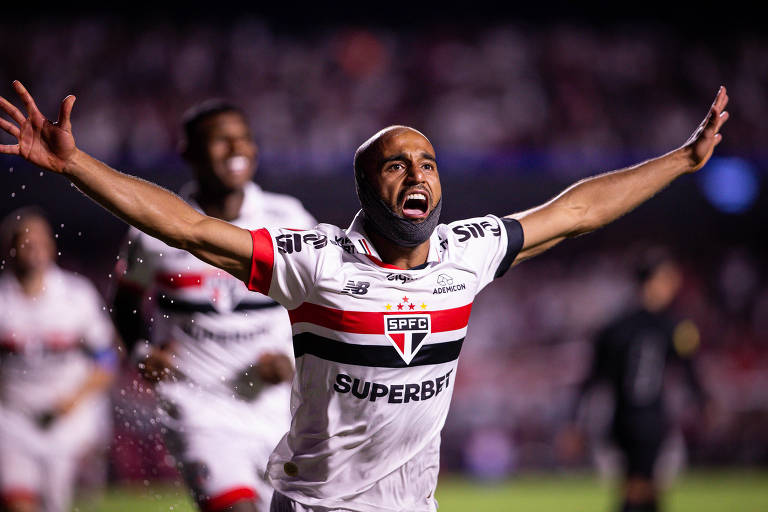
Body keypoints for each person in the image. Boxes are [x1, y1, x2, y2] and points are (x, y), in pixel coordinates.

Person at [0, 80, 729, 512]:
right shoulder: (314, 261)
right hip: (317, 505)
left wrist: (685, 158)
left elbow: (578, 210)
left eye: (428, 161)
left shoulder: (465, 253)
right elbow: (189, 227)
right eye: (395, 164)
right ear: (363, 188)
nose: (417, 172)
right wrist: (78, 167)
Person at [111, 99, 316, 512]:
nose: (237, 149)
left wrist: (295, 359)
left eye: (243, 139)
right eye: (221, 141)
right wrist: (141, 351)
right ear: (188, 152)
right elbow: (126, 301)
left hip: (281, 409)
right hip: (199, 407)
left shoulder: (288, 218)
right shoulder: (155, 230)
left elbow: (320, 302)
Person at [562, 248, 710, 512]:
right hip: (652, 420)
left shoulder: (614, 327)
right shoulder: (674, 326)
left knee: (642, 486)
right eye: (668, 278)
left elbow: (591, 379)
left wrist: (574, 421)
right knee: (640, 489)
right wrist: (704, 403)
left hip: (621, 419)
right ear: (653, 281)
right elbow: (690, 373)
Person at [0, 207, 118, 512]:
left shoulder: (76, 296)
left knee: (59, 505)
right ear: (9, 248)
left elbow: (106, 359)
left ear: (51, 246)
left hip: (69, 421)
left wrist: (75, 398)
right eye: (24, 241)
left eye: (39, 240)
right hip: (13, 417)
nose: (33, 248)